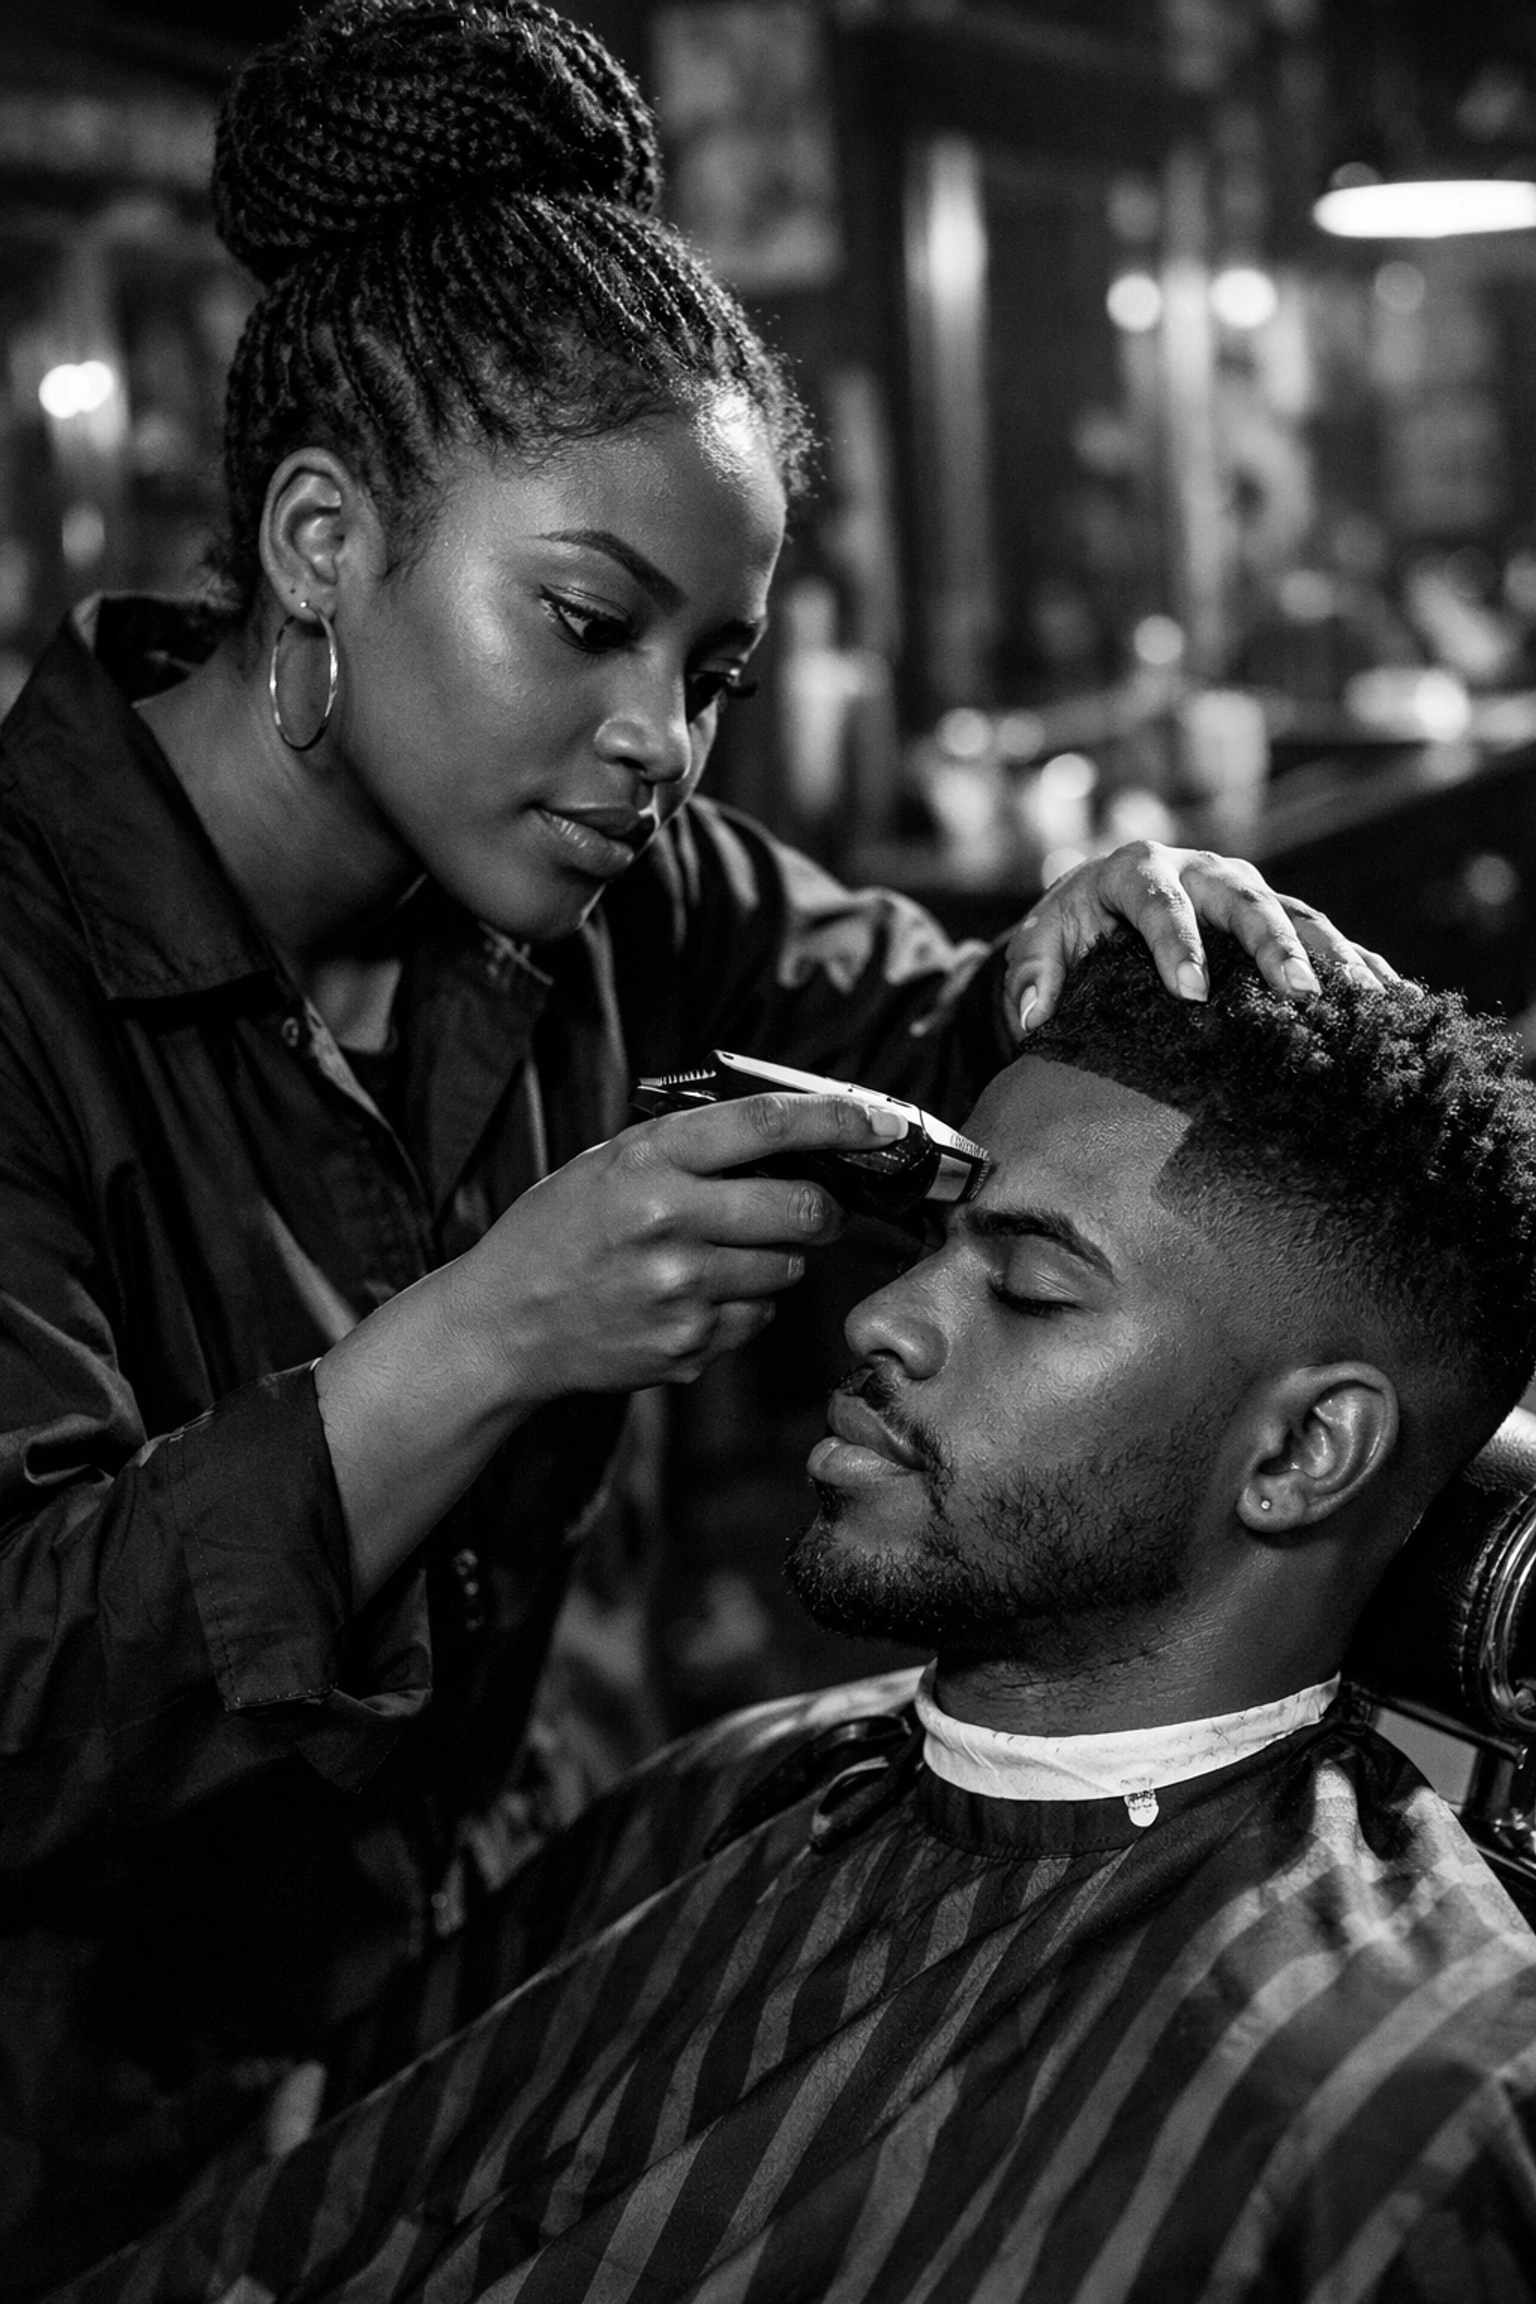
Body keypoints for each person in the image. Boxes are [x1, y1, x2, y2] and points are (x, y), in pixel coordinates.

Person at [0, 2, 1391, 2290]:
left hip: (466, 2031)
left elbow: (945, 1033)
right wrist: (477, 1342)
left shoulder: (620, 888)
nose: (657, 741)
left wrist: (1086, 942)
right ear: (323, 539)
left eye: (714, 666)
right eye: (584, 624)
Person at [52, 929, 1536, 2304]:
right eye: (931, 1247)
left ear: (1299, 1454)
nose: (879, 1319)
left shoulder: (1382, 2104)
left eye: (1024, 1287)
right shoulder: (735, 1785)